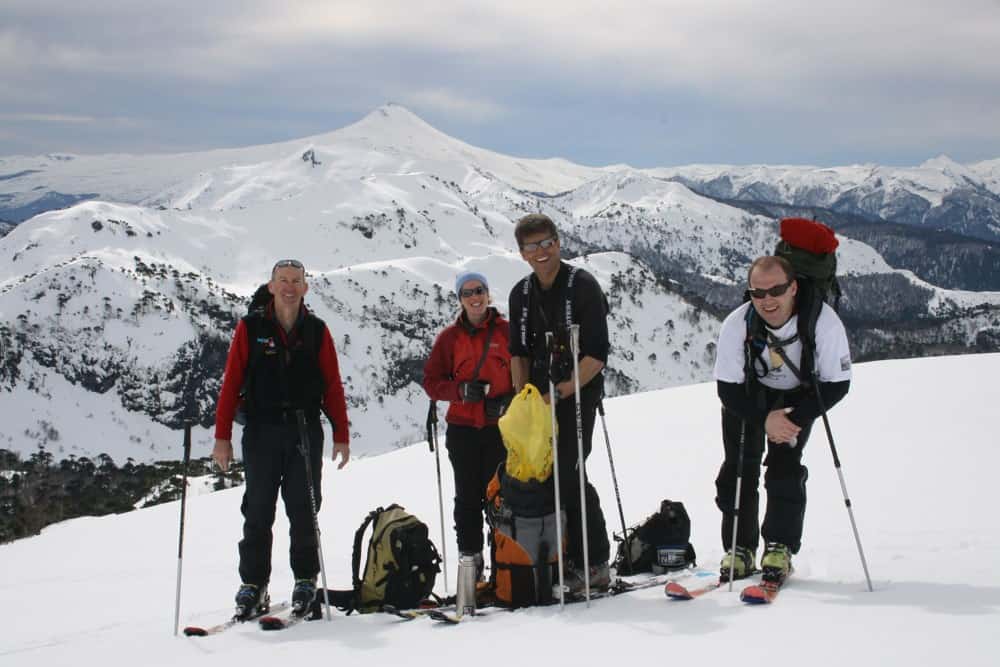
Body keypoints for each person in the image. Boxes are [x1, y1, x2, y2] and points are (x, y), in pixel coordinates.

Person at [213, 259, 350, 618]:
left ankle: (305, 579)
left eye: (296, 281)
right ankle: (253, 585)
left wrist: (341, 434)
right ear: (271, 287)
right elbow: (231, 383)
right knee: (258, 510)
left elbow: (333, 384)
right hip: (260, 430)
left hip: (304, 430)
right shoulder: (250, 328)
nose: (289, 287)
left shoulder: (317, 331)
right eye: (283, 280)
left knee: (304, 508)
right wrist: (222, 437)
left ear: (305, 288)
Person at [713, 255, 851, 583]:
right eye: (757, 293)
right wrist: (765, 420)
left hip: (798, 396)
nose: (767, 300)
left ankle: (779, 545)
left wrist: (793, 420)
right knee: (738, 466)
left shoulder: (822, 322)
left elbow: (837, 383)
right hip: (748, 395)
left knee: (784, 466)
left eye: (775, 290)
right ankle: (739, 547)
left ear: (793, 288)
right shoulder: (737, 324)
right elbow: (727, 390)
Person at [507, 213, 611, 593]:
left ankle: (595, 561)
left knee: (569, 473)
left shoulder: (582, 286)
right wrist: (524, 399)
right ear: (522, 253)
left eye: (547, 242)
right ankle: (564, 556)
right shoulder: (520, 294)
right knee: (542, 479)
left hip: (577, 394)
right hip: (538, 400)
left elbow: (596, 355)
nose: (542, 252)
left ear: (559, 243)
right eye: (532, 246)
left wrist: (561, 392)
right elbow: (517, 352)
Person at [422, 271, 513, 583]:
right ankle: (471, 566)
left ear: (488, 294)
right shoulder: (449, 338)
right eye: (467, 293)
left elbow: (526, 378)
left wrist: (506, 403)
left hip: (499, 429)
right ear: (459, 299)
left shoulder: (507, 332)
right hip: (462, 429)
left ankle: (505, 563)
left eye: (480, 290)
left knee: (501, 497)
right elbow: (432, 382)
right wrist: (459, 391)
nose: (475, 297)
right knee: (467, 498)